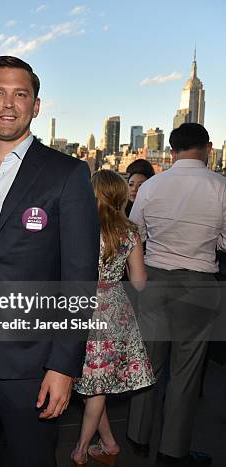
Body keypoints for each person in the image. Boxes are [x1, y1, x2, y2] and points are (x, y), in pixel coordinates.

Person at [0, 55, 100, 467]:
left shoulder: (67, 173)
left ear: (35, 105)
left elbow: (80, 276)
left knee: (30, 457)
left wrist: (63, 366)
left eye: (20, 94)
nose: (8, 104)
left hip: (31, 357)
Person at [127, 123, 224, 465]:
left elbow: (133, 234)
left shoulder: (152, 186)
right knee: (186, 372)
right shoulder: (221, 187)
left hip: (154, 278)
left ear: (171, 151)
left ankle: (138, 437)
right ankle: (172, 450)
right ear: (207, 148)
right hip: (199, 282)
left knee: (149, 363)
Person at [70, 170, 154, 466]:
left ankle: (81, 449)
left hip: (79, 306)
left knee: (92, 382)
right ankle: (108, 442)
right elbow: (141, 282)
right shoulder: (129, 231)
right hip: (113, 308)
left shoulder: (78, 227)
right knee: (95, 383)